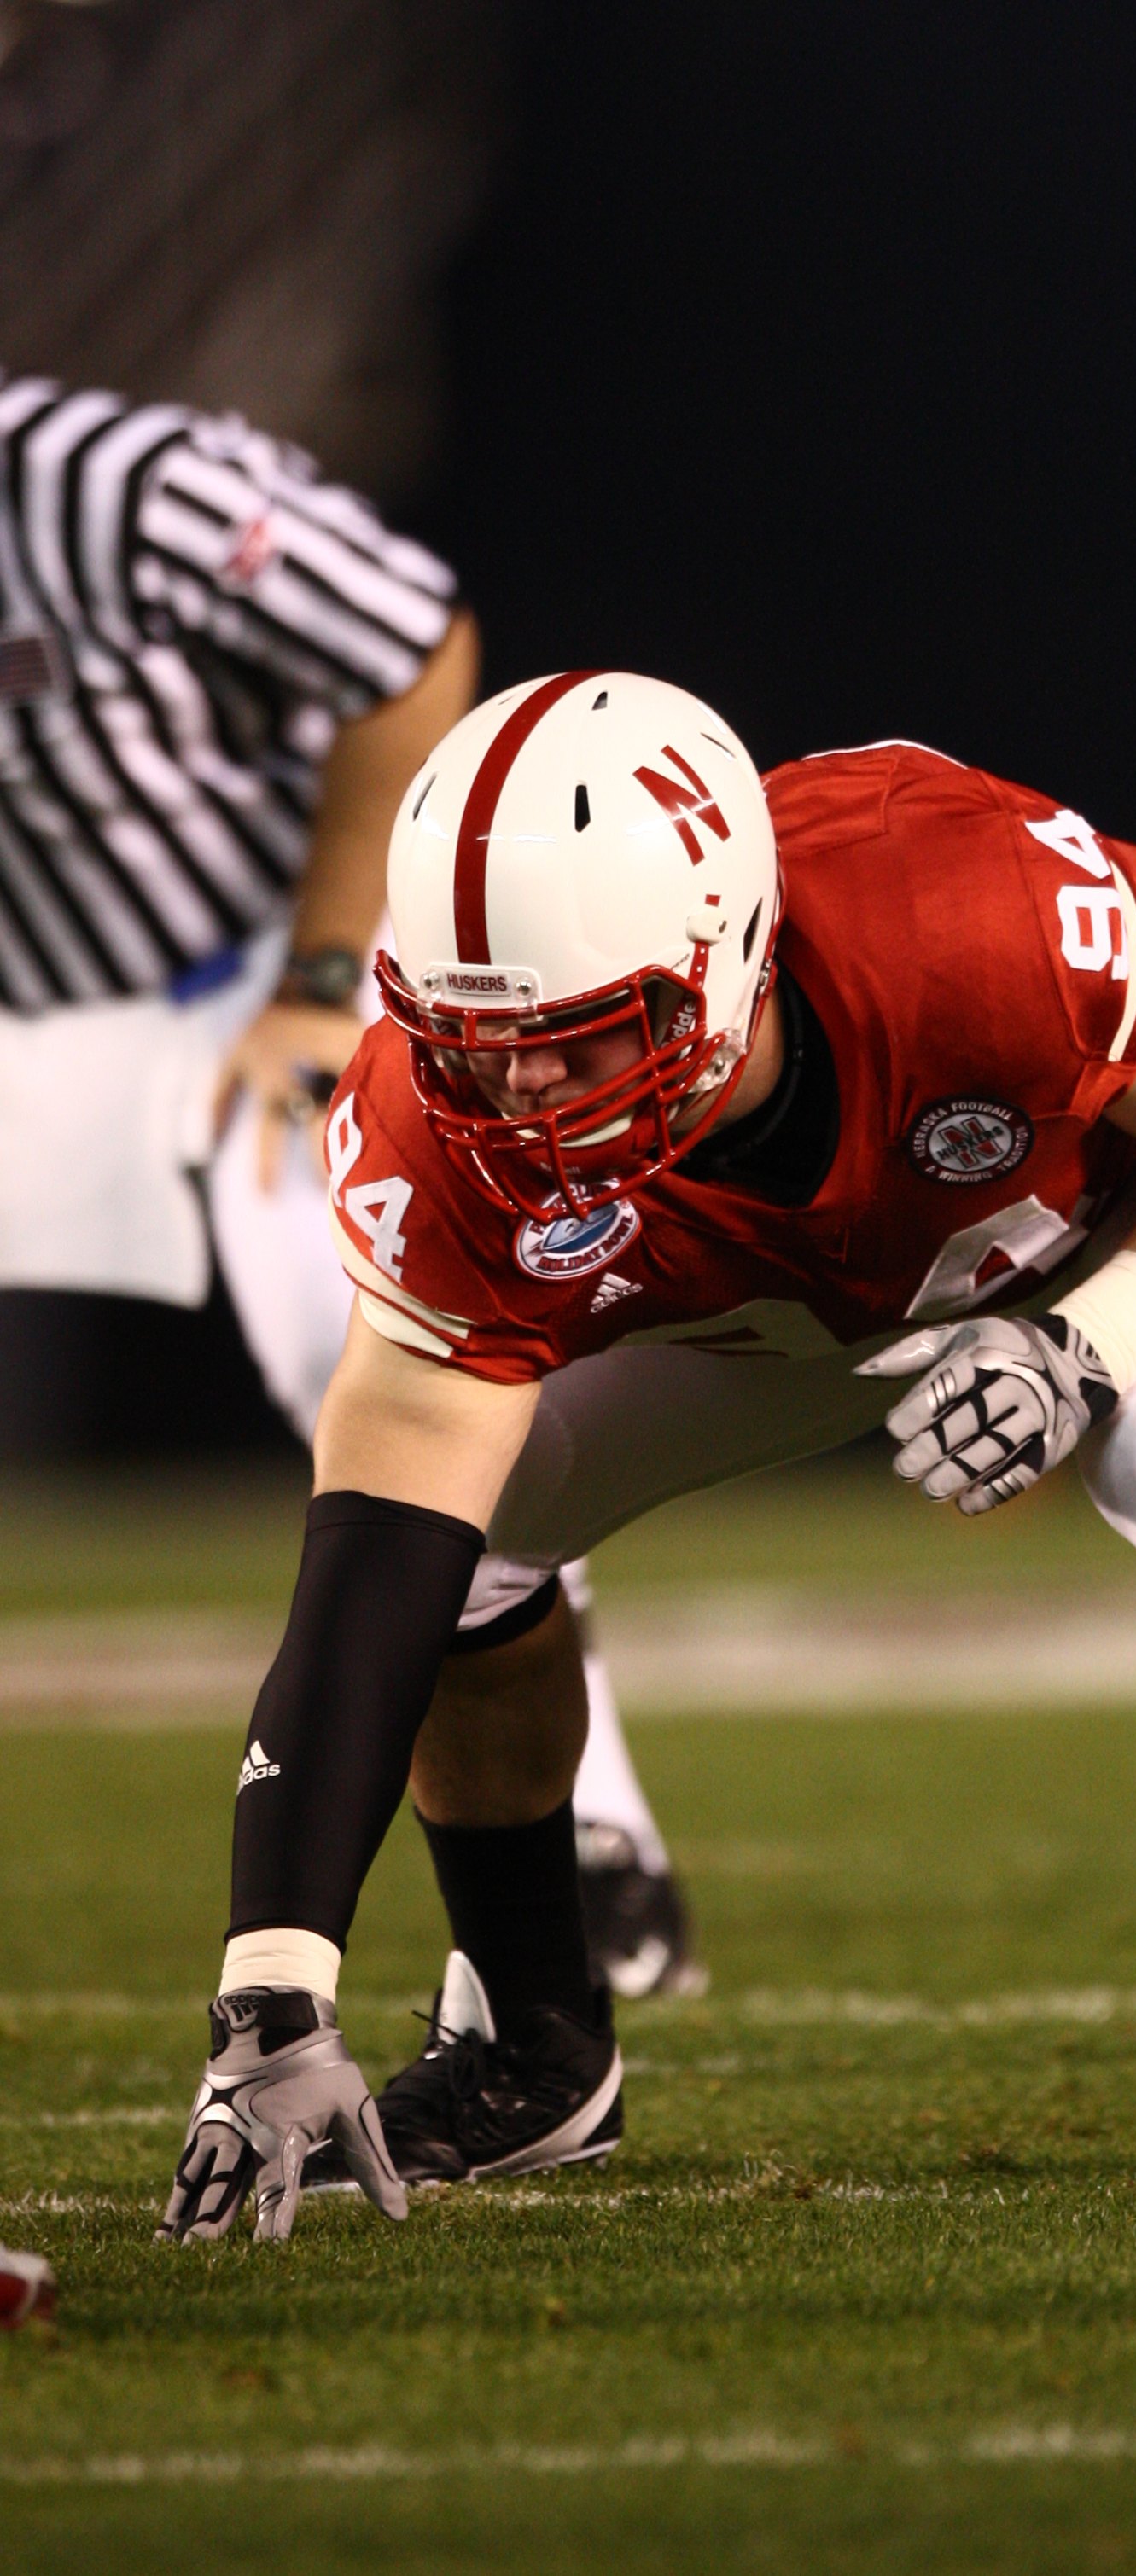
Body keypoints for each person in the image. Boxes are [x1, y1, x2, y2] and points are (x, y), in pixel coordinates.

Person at [154, 670, 1136, 2243]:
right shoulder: (432, 1122)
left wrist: (1095, 1345)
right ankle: (533, 2049)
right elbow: (373, 1562)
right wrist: (273, 1992)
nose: (516, 1096)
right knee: (481, 1532)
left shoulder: (966, 920)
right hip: (819, 1272)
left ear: (724, 952)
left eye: (579, 1040)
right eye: (475, 1042)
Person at [0, 371, 697, 1994]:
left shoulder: (114, 485)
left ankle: (589, 1835)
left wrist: (323, 970)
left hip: (241, 972)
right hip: (34, 1003)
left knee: (374, 1335)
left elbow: (406, 650)